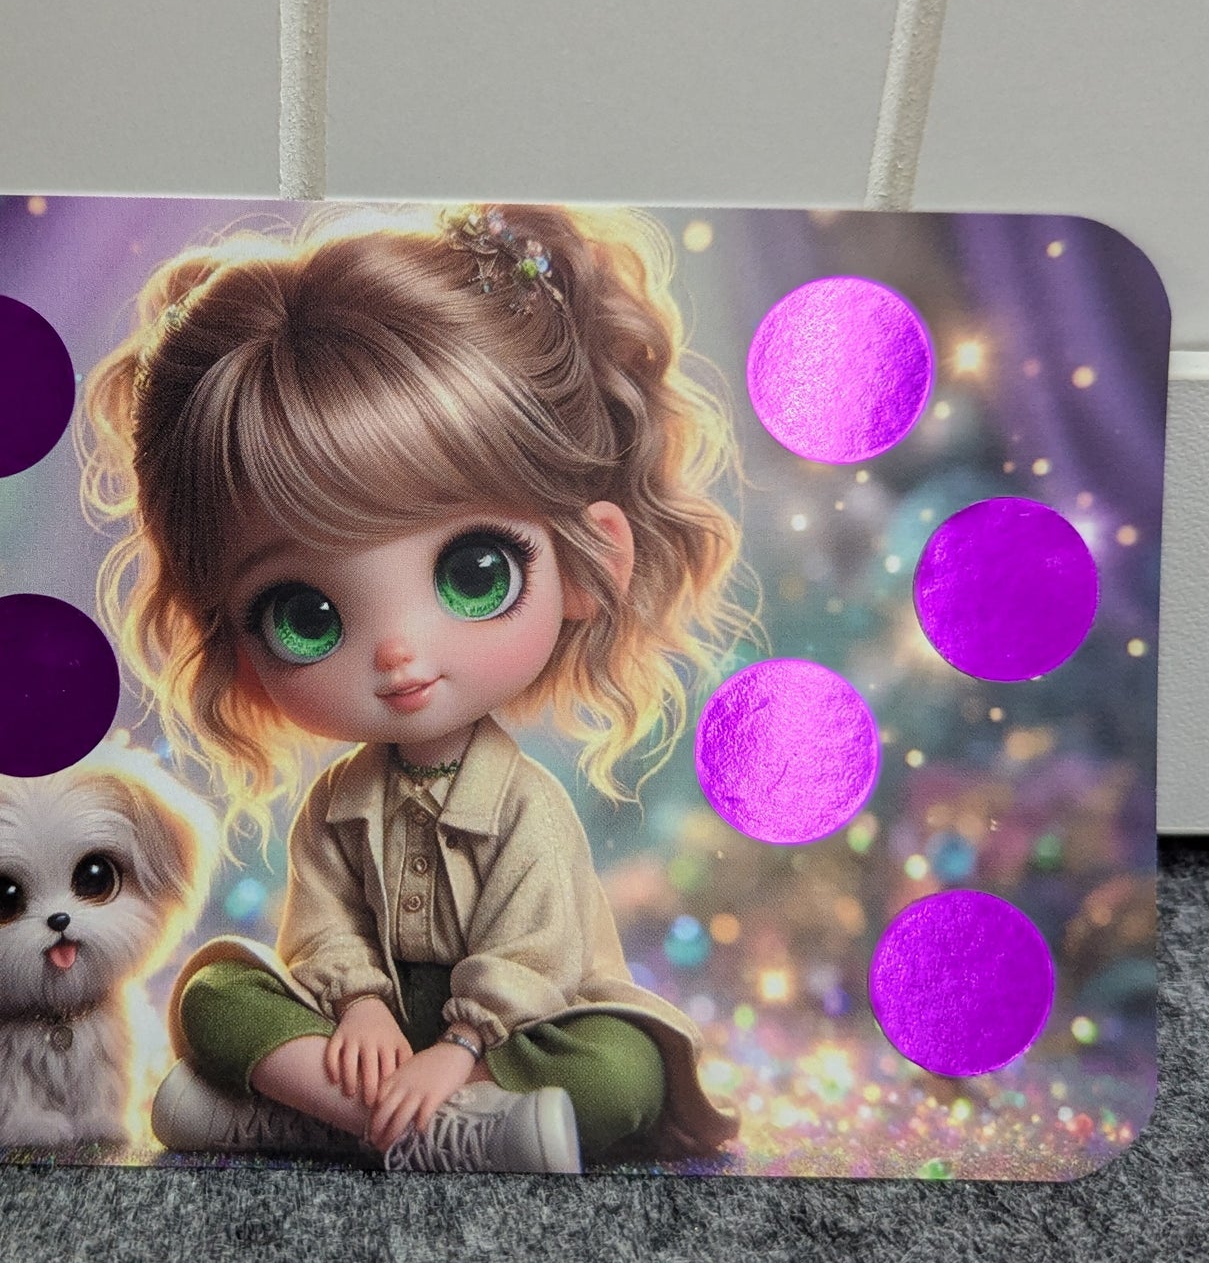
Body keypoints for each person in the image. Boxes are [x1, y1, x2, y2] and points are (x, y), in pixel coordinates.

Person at [80, 203, 748, 1175]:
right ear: (232, 639)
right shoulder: (338, 803)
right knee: (213, 996)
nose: (398, 654)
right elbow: (322, 924)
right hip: (370, 1035)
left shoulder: (524, 806)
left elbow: (533, 950)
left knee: (623, 1070)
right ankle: (429, 1125)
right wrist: (357, 1006)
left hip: (511, 1030)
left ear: (589, 559)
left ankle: (315, 1114)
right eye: (306, 612)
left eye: (474, 571)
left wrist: (461, 1046)